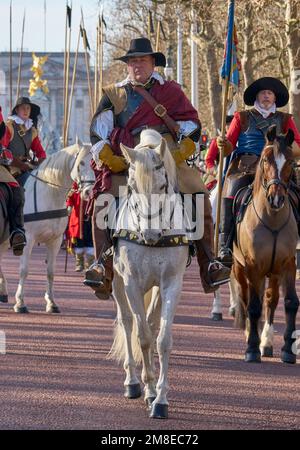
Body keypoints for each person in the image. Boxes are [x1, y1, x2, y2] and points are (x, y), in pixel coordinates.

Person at [84, 37, 230, 299]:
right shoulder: (113, 93)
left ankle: (208, 262)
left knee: (198, 196)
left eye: (141, 60)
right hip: (129, 158)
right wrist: (111, 157)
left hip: (168, 155)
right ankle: (102, 265)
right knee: (102, 203)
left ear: (153, 63)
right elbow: (98, 132)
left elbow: (192, 125)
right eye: (132, 61)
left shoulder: (171, 91)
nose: (136, 65)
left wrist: (181, 150)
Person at [207, 77, 300, 267]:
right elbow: (229, 145)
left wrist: (286, 150)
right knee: (231, 189)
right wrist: (222, 144)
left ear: (275, 98)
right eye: (263, 93)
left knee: (296, 193)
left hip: (276, 166)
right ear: (257, 96)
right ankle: (225, 244)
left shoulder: (285, 119)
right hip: (246, 166)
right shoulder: (241, 117)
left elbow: (298, 145)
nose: (266, 96)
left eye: (270, 93)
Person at [0, 98, 46, 255]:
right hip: (7, 169)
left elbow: (41, 153)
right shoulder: (9, 127)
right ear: (17, 111)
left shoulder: (32, 131)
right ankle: (16, 231)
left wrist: (38, 162)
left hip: (25, 169)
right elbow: (2, 150)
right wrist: (18, 164)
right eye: (23, 108)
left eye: (28, 108)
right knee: (18, 192)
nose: (26, 111)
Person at [66, 182, 94, 272]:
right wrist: (69, 206)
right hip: (78, 220)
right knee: (79, 243)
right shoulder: (76, 186)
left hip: (91, 218)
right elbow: (70, 198)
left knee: (90, 242)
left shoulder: (94, 184)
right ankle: (79, 263)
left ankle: (89, 264)